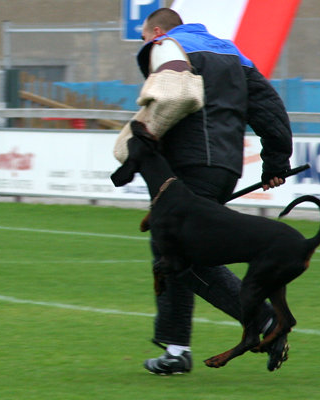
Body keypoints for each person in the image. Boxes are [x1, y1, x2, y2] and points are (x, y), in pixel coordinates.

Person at [114, 8, 293, 374]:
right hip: (225, 165)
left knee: (180, 258)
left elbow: (167, 101)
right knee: (171, 251)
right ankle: (176, 350)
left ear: (157, 31)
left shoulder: (166, 46)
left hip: (187, 166)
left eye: (146, 37)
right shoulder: (233, 54)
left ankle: (264, 321)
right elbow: (269, 108)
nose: (147, 46)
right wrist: (276, 162)